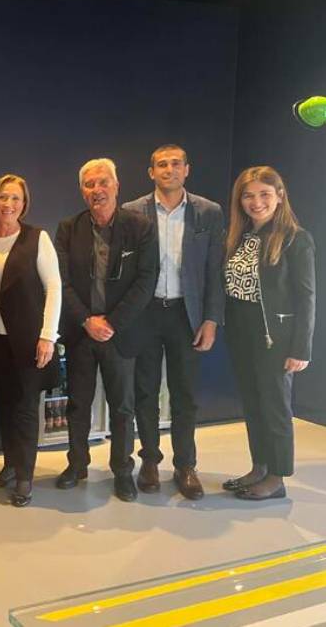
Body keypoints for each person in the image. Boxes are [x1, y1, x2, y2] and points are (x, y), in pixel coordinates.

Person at [123, 144, 224, 500]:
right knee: (145, 392)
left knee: (185, 395)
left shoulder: (208, 212)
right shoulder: (131, 211)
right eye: (162, 164)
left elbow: (215, 270)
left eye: (176, 163)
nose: (169, 169)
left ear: (187, 169)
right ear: (151, 172)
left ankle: (186, 465)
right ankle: (150, 461)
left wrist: (211, 319)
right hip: (145, 313)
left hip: (186, 315)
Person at [54, 158, 158, 502]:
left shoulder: (140, 227)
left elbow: (146, 280)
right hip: (81, 332)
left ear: (116, 186)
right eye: (89, 184)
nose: (96, 190)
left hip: (120, 334)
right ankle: (77, 465)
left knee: (123, 408)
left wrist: (112, 323)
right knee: (77, 404)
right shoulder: (68, 229)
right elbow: (62, 282)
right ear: (81, 191)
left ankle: (123, 471)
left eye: (103, 182)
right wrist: (87, 320)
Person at [0, 174, 61, 507]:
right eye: (3, 197)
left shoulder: (37, 238)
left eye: (15, 198)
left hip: (28, 341)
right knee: (5, 407)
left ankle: (24, 476)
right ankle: (10, 466)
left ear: (24, 204)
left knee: (24, 410)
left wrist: (48, 336)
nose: (8, 204)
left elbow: (54, 288)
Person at [223, 166, 315, 500]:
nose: (256, 202)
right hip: (242, 332)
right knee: (253, 403)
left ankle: (277, 477)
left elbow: (307, 296)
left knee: (275, 407)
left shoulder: (295, 238)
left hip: (275, 335)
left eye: (264, 194)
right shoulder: (240, 236)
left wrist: (301, 348)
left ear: (279, 196)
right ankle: (259, 467)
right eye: (248, 195)